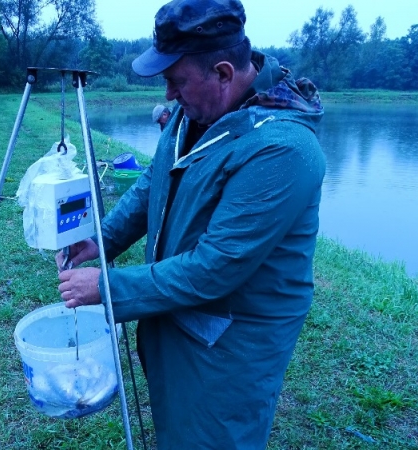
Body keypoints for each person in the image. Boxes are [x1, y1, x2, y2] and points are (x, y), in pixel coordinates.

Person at [56, 0, 325, 447]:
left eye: (175, 81)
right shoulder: (196, 109)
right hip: (177, 317)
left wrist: (105, 287)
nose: (167, 95)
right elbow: (155, 180)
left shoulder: (284, 150)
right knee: (176, 426)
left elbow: (215, 267)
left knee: (212, 436)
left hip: (231, 346)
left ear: (222, 73)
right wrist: (103, 239)